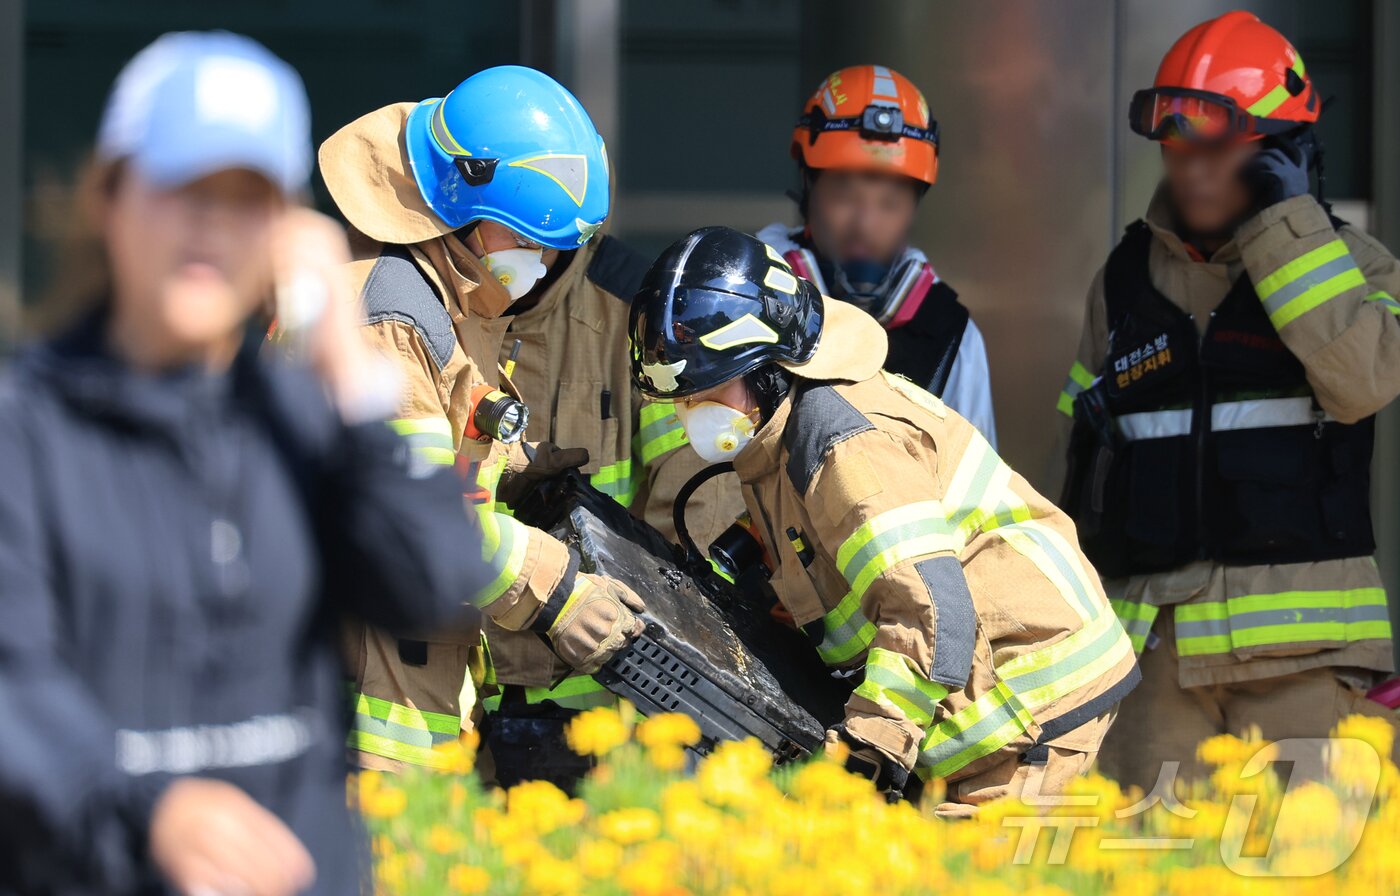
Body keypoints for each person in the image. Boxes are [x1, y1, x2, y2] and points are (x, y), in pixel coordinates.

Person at [0, 32, 490, 895]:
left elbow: (435, 577)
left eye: (245, 200)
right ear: (109, 199)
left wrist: (350, 380)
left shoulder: (308, 420)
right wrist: (145, 810)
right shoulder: (28, 427)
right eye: (183, 189)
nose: (211, 227)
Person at [630, 226, 1138, 812]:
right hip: (976, 689)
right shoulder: (776, 440)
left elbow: (929, 606)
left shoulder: (842, 446)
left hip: (1033, 695)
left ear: (769, 368)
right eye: (685, 398)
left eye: (709, 391)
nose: (694, 414)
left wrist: (868, 749)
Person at [1057, 11, 1400, 789]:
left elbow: (1365, 382)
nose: (1192, 174)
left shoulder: (1356, 268)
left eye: (1219, 153)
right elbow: (1078, 461)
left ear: (1282, 155)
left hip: (1302, 668)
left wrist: (1285, 224)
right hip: (1152, 660)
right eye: (1179, 153)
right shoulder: (1122, 280)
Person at [319, 66, 677, 773]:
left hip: (411, 688)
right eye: (525, 238)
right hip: (371, 722)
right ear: (461, 203)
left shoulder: (427, 292)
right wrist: (559, 594)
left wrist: (516, 464)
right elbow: (417, 518)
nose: (541, 264)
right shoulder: (393, 316)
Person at [757, 64, 997, 446]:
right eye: (845, 197)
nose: (865, 224)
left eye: (890, 203)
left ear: (916, 206)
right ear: (807, 185)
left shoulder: (952, 337)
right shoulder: (750, 307)